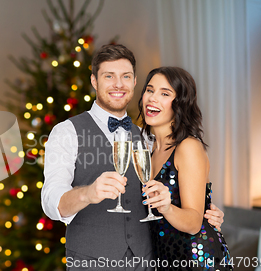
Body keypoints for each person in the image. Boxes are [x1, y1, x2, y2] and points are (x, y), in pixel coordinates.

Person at [41, 44, 225, 271]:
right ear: (94, 81)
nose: (118, 84)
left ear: (134, 82)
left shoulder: (147, 138)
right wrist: (88, 193)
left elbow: (178, 188)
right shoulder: (66, 132)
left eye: (125, 76)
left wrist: (205, 212)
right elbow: (51, 201)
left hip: (148, 263)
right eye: (109, 76)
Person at [139, 67, 232, 270]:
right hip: (164, 259)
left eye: (165, 93)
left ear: (180, 103)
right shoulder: (149, 149)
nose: (152, 98)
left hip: (197, 258)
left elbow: (193, 222)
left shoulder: (188, 147)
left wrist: (166, 207)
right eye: (149, 90)